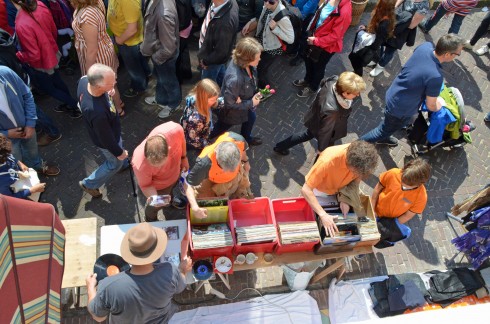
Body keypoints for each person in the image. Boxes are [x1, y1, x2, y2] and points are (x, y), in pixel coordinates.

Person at [361, 34, 464, 147]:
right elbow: (431, 106)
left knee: (388, 125)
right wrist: (439, 105)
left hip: (394, 92)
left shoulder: (425, 46)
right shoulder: (435, 76)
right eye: (458, 54)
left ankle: (385, 134)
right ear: (447, 54)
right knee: (382, 131)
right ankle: (352, 148)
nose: (457, 56)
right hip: (400, 109)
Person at [86, 222, 193, 323]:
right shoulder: (170, 271)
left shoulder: (108, 286)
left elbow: (99, 317)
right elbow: (180, 286)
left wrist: (90, 288)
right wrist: (183, 270)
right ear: (157, 252)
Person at [12, 0, 81, 119]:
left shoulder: (21, 24)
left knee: (49, 88)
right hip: (52, 51)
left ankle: (75, 105)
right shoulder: (39, 4)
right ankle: (71, 104)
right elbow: (53, 29)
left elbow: (34, 55)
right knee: (57, 80)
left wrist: (19, 55)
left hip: (41, 62)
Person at [274, 72, 366, 155]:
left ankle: (280, 147)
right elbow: (326, 131)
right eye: (356, 93)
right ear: (345, 93)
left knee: (306, 134)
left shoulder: (335, 79)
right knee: (325, 151)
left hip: (315, 116)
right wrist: (321, 149)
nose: (357, 95)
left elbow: (323, 82)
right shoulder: (334, 111)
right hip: (325, 129)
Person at [301, 141, 379, 237]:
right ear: (349, 161)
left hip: (338, 190)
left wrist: (345, 198)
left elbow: (355, 181)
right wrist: (323, 215)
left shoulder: (361, 161)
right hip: (320, 191)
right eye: (354, 171)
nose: (356, 174)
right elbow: (306, 189)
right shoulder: (327, 162)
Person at [78, 64, 129, 198]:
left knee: (118, 158)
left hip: (111, 131)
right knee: (114, 163)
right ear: (99, 86)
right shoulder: (97, 113)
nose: (115, 82)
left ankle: (122, 163)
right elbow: (106, 138)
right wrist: (119, 152)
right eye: (111, 83)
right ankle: (89, 184)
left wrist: (108, 92)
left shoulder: (84, 80)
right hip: (110, 140)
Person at [0, 65, 60, 176]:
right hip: (5, 140)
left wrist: (30, 123)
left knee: (32, 151)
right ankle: (23, 181)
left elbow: (27, 95)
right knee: (15, 164)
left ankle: (37, 165)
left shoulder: (5, 72)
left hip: (27, 127)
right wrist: (6, 134)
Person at [71, 0, 124, 116]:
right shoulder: (94, 2)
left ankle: (118, 110)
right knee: (110, 84)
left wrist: (88, 75)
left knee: (106, 86)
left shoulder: (87, 15)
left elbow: (92, 49)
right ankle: (118, 103)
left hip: (97, 57)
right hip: (103, 49)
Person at [209, 37, 263, 146]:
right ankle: (205, 139)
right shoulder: (235, 79)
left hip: (245, 104)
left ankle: (246, 138)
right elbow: (229, 104)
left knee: (251, 118)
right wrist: (251, 103)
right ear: (247, 59)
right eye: (257, 57)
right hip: (231, 114)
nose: (260, 59)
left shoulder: (244, 63)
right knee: (221, 127)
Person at [186, 132, 252, 219]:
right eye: (224, 169)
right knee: (204, 201)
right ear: (217, 157)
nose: (228, 172)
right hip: (211, 181)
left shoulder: (238, 140)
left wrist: (246, 162)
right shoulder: (204, 164)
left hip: (233, 179)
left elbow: (243, 152)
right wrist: (194, 207)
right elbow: (188, 185)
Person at [132, 122, 189, 222]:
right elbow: (146, 185)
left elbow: (182, 141)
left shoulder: (175, 129)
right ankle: (150, 218)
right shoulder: (139, 164)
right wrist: (155, 198)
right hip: (159, 187)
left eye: (162, 164)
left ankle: (170, 200)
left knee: (170, 192)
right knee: (153, 207)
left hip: (175, 174)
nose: (160, 168)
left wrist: (184, 158)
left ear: (169, 149)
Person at [293, 0, 350, 98]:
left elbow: (335, 36)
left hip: (325, 47)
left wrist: (316, 41)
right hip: (314, 37)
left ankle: (313, 87)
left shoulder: (345, 11)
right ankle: (307, 79)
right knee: (308, 60)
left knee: (318, 67)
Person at [372, 158, 430, 248]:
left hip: (388, 222)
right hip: (374, 212)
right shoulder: (393, 173)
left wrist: (386, 226)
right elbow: (377, 189)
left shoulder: (421, 197)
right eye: (401, 182)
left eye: (407, 187)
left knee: (373, 239)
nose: (403, 186)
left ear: (420, 183)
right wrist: (372, 209)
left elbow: (407, 216)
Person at [140, 0, 181, 119]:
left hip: (164, 57)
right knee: (161, 78)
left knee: (169, 81)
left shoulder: (164, 14)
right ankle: (161, 99)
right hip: (159, 53)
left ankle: (174, 103)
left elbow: (169, 48)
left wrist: (156, 58)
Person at [241, 0, 294, 88]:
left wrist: (275, 29)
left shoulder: (283, 17)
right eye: (265, 0)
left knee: (261, 70)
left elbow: (291, 39)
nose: (266, 3)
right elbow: (262, 19)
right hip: (262, 43)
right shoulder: (267, 7)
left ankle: (266, 90)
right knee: (257, 66)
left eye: (271, 2)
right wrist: (250, 21)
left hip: (272, 49)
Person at [370, 0, 430, 77]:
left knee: (390, 50)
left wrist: (395, 28)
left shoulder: (424, 6)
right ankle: (377, 59)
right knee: (382, 41)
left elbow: (411, 25)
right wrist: (393, 10)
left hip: (401, 30)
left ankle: (380, 66)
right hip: (393, 20)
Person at [107, 0, 150, 97]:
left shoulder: (128, 1)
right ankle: (147, 73)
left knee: (133, 67)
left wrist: (119, 40)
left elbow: (132, 29)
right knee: (139, 60)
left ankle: (139, 86)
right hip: (125, 39)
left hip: (128, 41)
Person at [348, 0, 396, 77]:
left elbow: (377, 42)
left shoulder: (384, 24)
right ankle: (357, 73)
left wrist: (366, 45)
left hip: (369, 47)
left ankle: (358, 75)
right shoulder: (388, 17)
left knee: (354, 58)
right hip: (371, 44)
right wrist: (366, 28)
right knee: (355, 59)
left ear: (382, 6)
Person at [197, 0, 239, 86]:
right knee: (221, 78)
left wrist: (205, 61)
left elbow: (220, 53)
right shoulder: (217, 4)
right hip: (213, 55)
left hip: (211, 60)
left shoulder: (225, 23)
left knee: (207, 88)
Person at [180, 79, 223, 150]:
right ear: (203, 99)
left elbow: (217, 102)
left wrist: (231, 100)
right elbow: (194, 140)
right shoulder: (196, 119)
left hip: (201, 131)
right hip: (194, 139)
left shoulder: (198, 100)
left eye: (216, 98)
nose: (215, 101)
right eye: (212, 100)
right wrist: (209, 146)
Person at [0, 133, 46, 199]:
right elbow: (10, 199)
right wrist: (32, 190)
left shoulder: (4, 154)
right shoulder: (1, 182)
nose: (9, 154)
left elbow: (10, 157)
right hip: (24, 197)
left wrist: (19, 163)